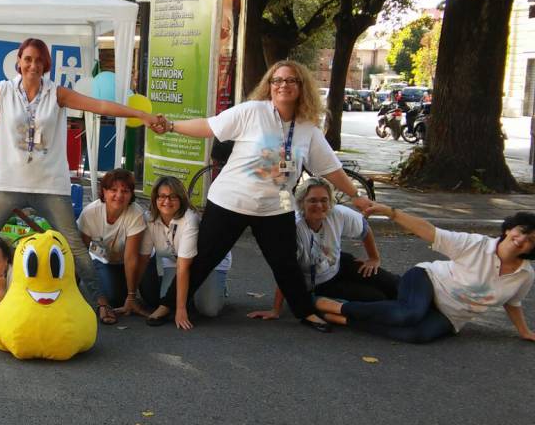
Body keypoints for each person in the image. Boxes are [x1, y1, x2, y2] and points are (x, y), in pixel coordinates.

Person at [0, 38, 167, 325]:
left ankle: (100, 302)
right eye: (28, 59)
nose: (33, 65)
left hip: (50, 185)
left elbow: (99, 105)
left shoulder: (57, 94)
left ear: (46, 64)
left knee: (73, 245)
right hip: (7, 183)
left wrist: (141, 115)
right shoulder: (4, 91)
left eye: (39, 60)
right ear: (19, 62)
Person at [163, 59, 372, 331]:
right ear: (269, 86)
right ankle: (168, 305)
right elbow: (209, 126)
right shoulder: (252, 111)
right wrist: (170, 126)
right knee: (205, 257)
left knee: (285, 263)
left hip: (277, 204)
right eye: (277, 80)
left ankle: (305, 312)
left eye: (290, 80)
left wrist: (355, 195)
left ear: (301, 87)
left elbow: (330, 168)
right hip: (231, 199)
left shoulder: (307, 128)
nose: (283, 85)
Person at [315, 207, 535, 344]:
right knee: (409, 314)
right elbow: (430, 232)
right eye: (522, 231)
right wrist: (390, 212)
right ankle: (337, 307)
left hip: (451, 315)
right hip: (428, 281)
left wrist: (524, 332)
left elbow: (513, 302)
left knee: (417, 335)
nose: (522, 239)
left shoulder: (524, 275)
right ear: (509, 229)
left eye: (531, 240)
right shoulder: (476, 245)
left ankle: (346, 320)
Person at [248, 177, 398, 320]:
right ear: (301, 203)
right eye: (312, 200)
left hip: (338, 263)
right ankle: (319, 301)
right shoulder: (293, 229)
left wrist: (374, 258)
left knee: (390, 282)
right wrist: (276, 310)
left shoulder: (337, 213)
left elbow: (364, 228)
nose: (319, 205)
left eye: (324, 200)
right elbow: (285, 271)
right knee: (377, 298)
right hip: (319, 283)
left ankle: (418, 297)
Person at [138, 176, 231, 325]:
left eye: (173, 197)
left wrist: (180, 309)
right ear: (155, 198)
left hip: (208, 263)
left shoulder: (190, 219)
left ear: (181, 199)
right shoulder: (149, 218)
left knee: (209, 310)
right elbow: (143, 257)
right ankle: (191, 292)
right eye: (162, 196)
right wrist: (129, 296)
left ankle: (219, 286)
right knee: (162, 298)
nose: (166, 201)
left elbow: (184, 266)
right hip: (174, 261)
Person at [77, 168, 146, 309]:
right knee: (114, 298)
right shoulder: (89, 213)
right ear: (104, 191)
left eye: (125, 191)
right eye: (113, 190)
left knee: (151, 297)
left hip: (128, 261)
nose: (119, 195)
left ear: (132, 194)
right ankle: (90, 285)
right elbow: (81, 253)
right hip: (102, 260)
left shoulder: (136, 214)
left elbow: (131, 257)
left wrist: (132, 295)